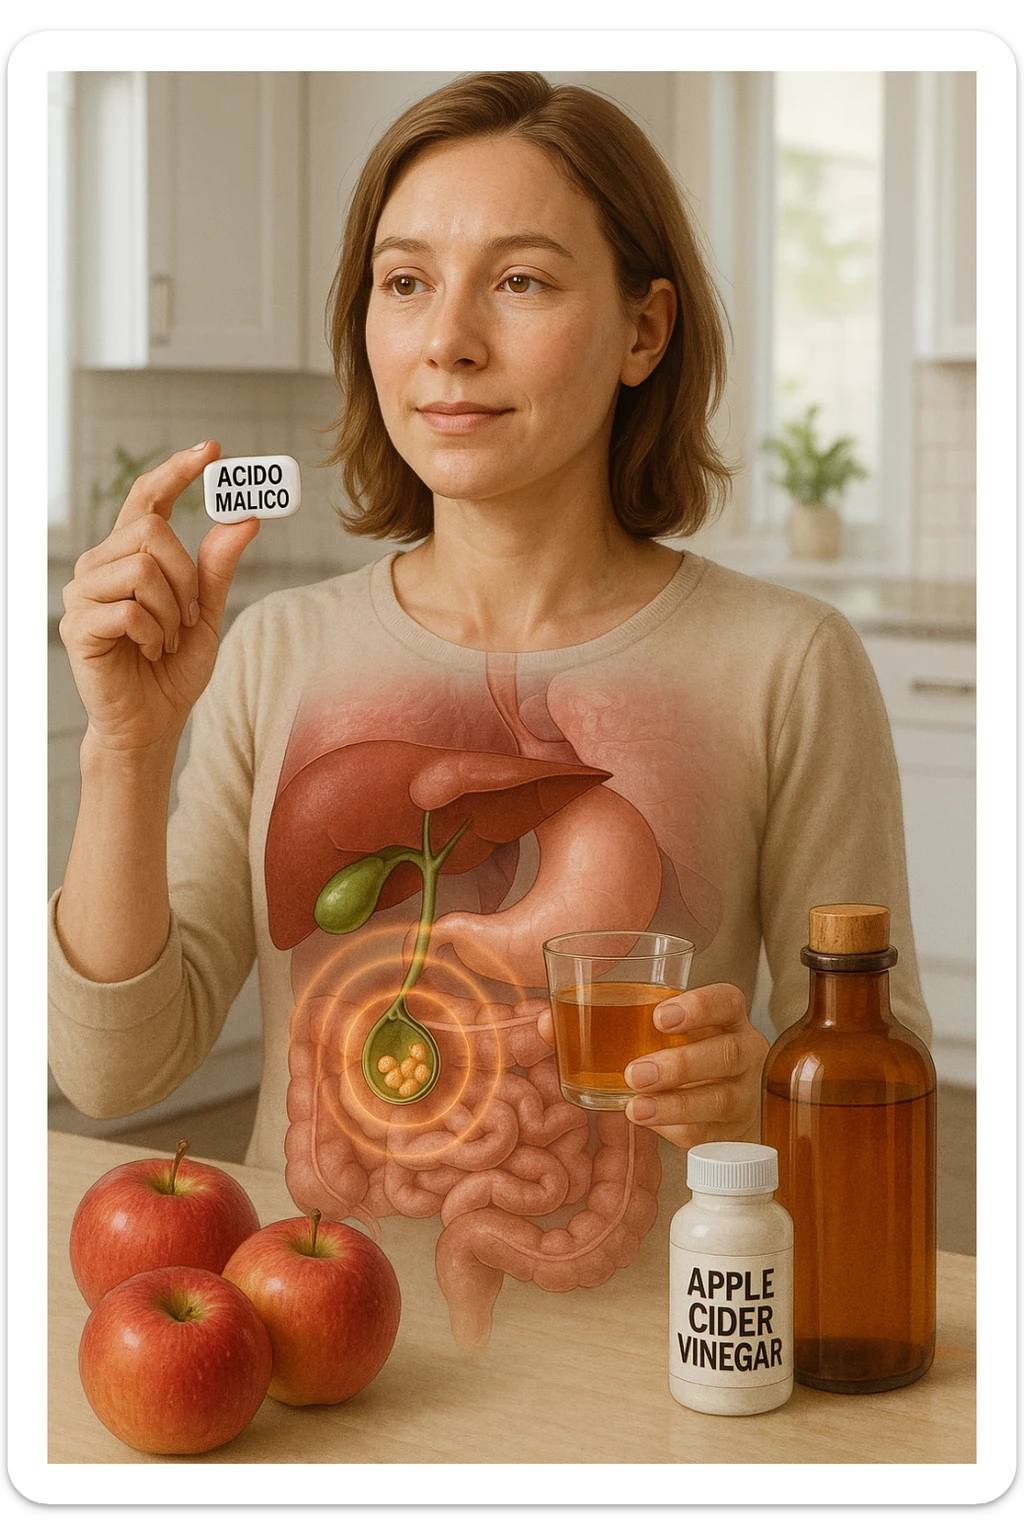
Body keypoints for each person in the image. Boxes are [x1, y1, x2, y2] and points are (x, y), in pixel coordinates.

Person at [50, 72, 929, 1348]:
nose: (447, 338)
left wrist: (760, 1095)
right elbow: (116, 1071)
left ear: (644, 330)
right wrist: (127, 747)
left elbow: (869, 1080)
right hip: (306, 1366)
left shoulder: (785, 662)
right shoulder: (274, 650)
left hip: (663, 1365)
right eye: (404, 282)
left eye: (519, 281)